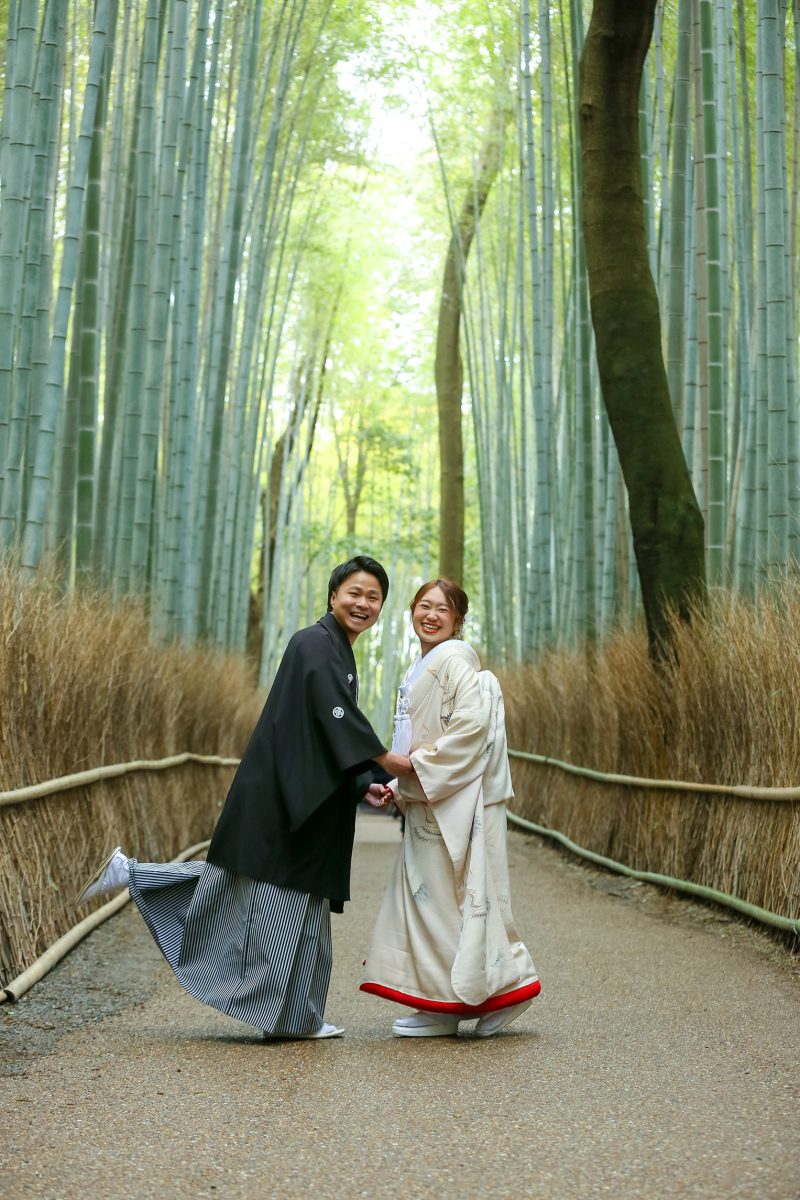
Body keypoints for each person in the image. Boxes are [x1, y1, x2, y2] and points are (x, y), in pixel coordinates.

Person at [75, 556, 412, 1040]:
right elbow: (333, 715)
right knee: (268, 897)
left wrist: (363, 782)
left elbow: (316, 732)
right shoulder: (314, 644)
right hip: (284, 800)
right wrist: (386, 759)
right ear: (334, 595)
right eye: (354, 592)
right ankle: (285, 1015)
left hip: (301, 797)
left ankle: (299, 1017)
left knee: (272, 894)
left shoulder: (333, 648)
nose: (363, 603)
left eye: (373, 597)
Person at [360, 578, 540, 1037]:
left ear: (459, 620)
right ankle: (447, 1000)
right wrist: (397, 785)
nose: (432, 615)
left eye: (444, 609)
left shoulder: (455, 662)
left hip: (459, 799)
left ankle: (496, 991)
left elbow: (471, 728)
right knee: (436, 902)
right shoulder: (419, 667)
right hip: (433, 796)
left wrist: (411, 768)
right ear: (412, 612)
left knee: (460, 900)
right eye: (424, 606)